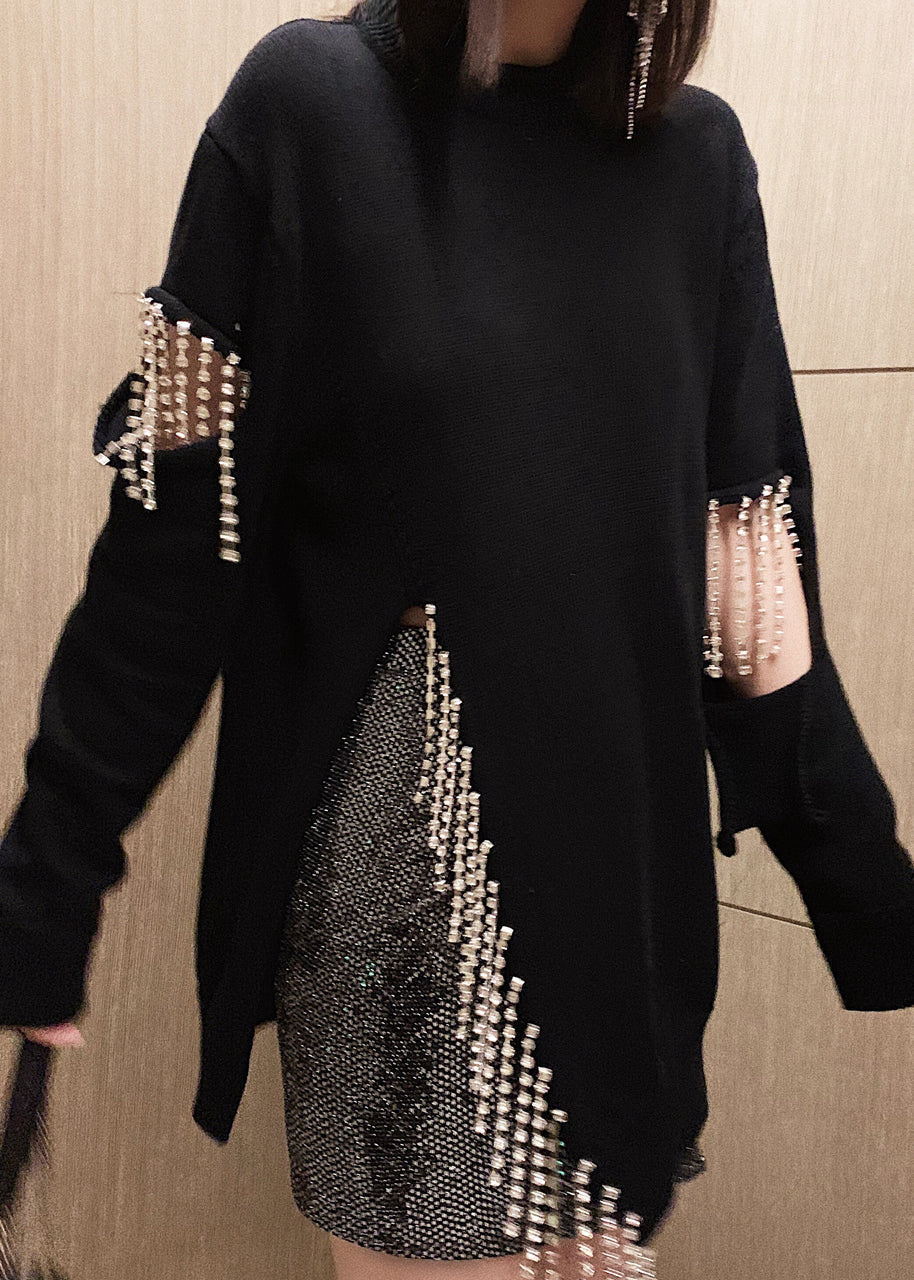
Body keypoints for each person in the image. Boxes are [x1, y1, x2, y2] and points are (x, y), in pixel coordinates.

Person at [2, 1, 913, 1276]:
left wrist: (866, 888)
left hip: (625, 883)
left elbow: (743, 556)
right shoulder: (306, 105)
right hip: (417, 883)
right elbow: (175, 531)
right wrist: (47, 880)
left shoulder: (697, 160)